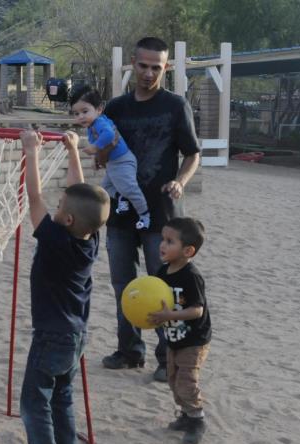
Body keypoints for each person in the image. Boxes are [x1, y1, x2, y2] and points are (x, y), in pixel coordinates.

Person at [99, 36, 201, 383]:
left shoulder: (175, 106)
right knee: (122, 284)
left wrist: (181, 182)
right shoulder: (115, 108)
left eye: (156, 67)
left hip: (162, 214)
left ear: (166, 68)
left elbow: (192, 153)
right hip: (121, 211)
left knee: (164, 288)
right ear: (133, 63)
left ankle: (166, 358)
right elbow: (102, 156)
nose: (148, 73)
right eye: (142, 66)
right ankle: (129, 351)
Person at [18, 129, 109, 444]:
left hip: (52, 335)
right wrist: (73, 151)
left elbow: (34, 196)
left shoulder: (55, 241)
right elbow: (81, 193)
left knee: (33, 401)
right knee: (62, 394)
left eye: (60, 209)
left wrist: (31, 152)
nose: (54, 209)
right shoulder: (90, 237)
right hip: (76, 336)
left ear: (67, 220)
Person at [147, 217, 211, 444]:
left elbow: (196, 310)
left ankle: (197, 419)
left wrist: (169, 316)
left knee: (186, 380)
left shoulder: (191, 276)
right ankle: (186, 415)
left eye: (169, 241)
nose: (162, 245)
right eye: (162, 240)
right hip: (173, 338)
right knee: (173, 381)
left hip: (194, 340)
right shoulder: (163, 271)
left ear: (188, 250)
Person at [68, 85, 150, 231]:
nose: (80, 116)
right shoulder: (91, 127)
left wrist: (95, 148)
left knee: (130, 188)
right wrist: (95, 158)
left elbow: (109, 135)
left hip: (123, 161)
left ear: (99, 109)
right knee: (106, 187)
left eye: (85, 111)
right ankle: (122, 198)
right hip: (113, 163)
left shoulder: (100, 122)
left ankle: (144, 215)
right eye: (76, 113)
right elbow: (95, 142)